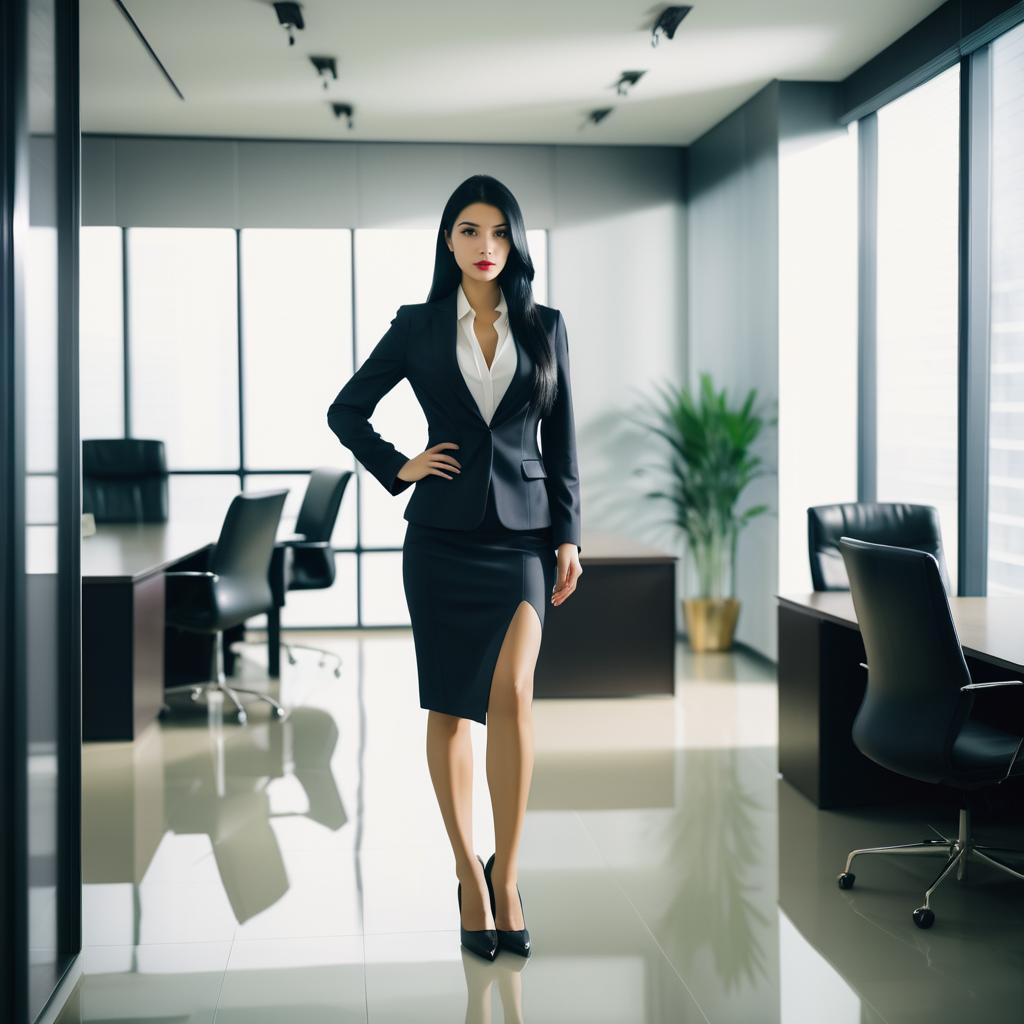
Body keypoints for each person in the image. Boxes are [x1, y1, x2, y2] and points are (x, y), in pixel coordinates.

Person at [327, 174, 582, 961]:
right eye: (470, 231)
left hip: (523, 541)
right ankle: (467, 873)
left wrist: (569, 535)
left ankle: (507, 877)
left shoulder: (546, 326)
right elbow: (346, 409)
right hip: (440, 539)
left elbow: (563, 437)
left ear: (517, 243)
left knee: (511, 694)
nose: (485, 247)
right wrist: (397, 466)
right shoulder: (417, 325)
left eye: (499, 233)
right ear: (448, 240)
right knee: (448, 706)